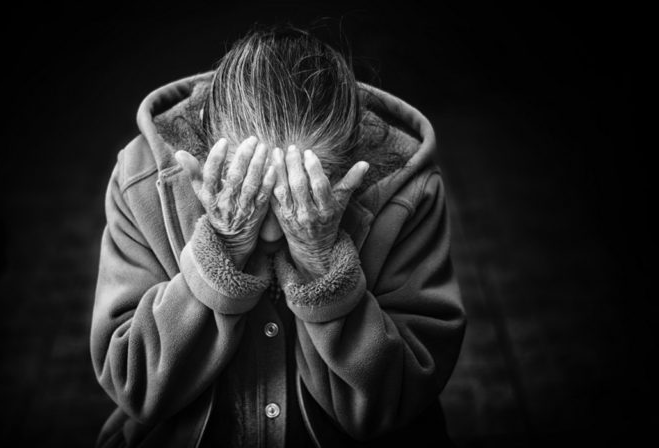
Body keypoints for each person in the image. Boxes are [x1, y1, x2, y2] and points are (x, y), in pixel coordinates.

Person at [90, 23, 466, 448]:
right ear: (204, 143)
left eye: (301, 192)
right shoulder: (141, 179)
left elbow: (396, 401)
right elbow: (133, 384)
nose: (271, 229)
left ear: (351, 165)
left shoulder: (410, 192)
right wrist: (222, 247)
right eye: (248, 189)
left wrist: (322, 262)